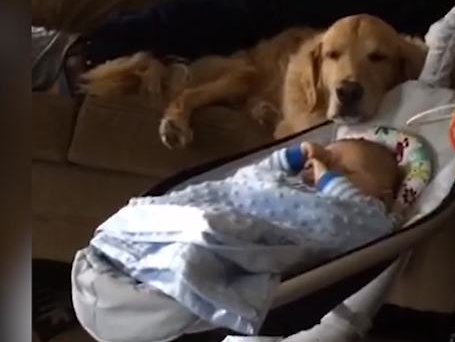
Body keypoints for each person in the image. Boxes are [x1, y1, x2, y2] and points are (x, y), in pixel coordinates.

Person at [73, 138, 402, 337]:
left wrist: (330, 178)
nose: (322, 171)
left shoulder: (366, 215)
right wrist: (296, 156)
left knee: (210, 233)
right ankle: (143, 239)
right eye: (327, 162)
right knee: (186, 210)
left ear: (384, 194)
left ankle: (173, 255)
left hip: (229, 231)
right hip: (208, 209)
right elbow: (252, 176)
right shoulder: (287, 181)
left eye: (347, 172)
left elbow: (356, 227)